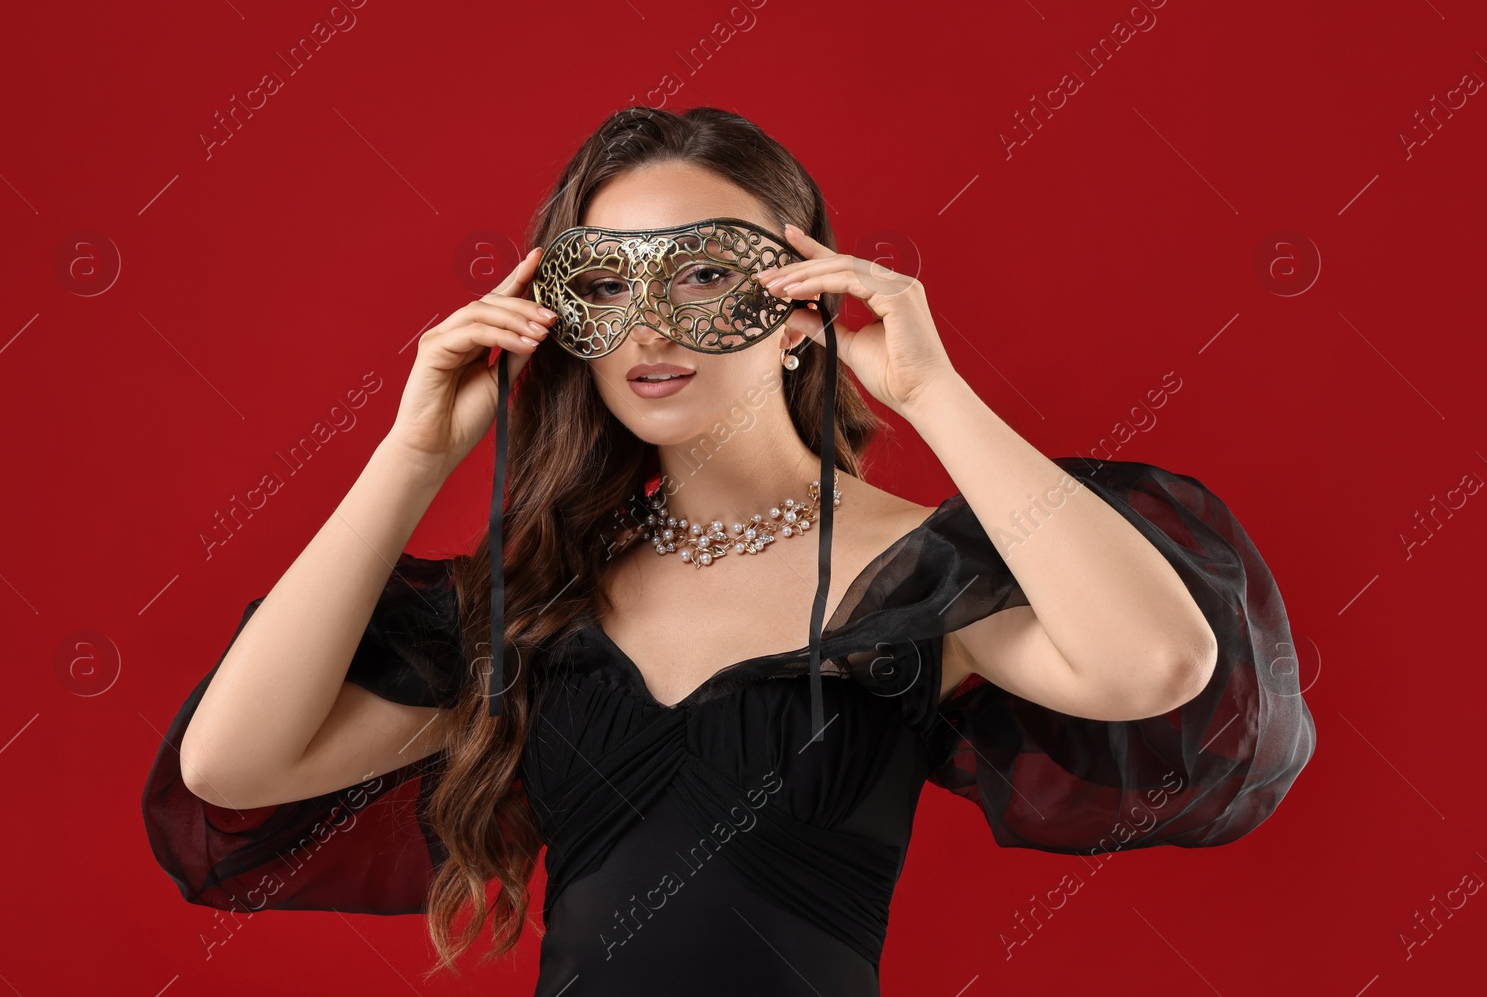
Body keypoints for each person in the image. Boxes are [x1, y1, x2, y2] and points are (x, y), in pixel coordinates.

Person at [142, 106, 1315, 995]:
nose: (652, 325)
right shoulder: (545, 593)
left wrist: (935, 394)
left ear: (802, 299)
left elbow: (1156, 666)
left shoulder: (910, 573)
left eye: (705, 273)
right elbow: (231, 769)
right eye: (607, 281)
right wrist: (410, 453)